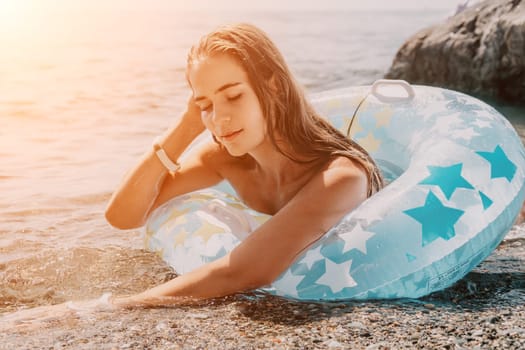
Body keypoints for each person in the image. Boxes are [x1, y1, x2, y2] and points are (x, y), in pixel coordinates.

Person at [103, 22, 384, 307]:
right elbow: (123, 216)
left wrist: (108, 306)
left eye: (233, 96)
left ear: (273, 86)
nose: (219, 118)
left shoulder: (342, 177)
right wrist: (188, 124)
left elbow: (244, 272)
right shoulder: (223, 159)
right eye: (206, 105)